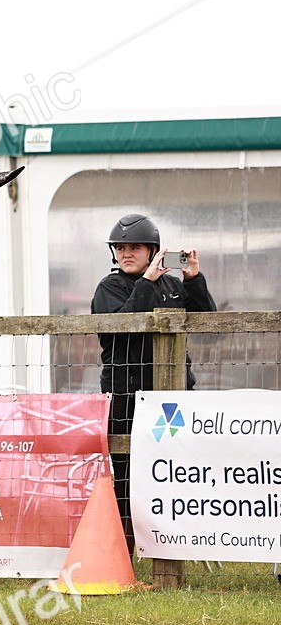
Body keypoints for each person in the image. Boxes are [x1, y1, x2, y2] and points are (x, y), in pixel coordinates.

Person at [90, 213, 216, 545]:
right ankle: (125, 547)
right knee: (127, 473)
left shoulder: (174, 285)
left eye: (135, 247)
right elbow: (125, 330)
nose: (126, 253)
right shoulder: (109, 288)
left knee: (177, 469)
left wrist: (194, 280)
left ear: (153, 251)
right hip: (126, 400)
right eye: (120, 247)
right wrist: (146, 283)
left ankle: (175, 542)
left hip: (172, 400)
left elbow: (210, 330)